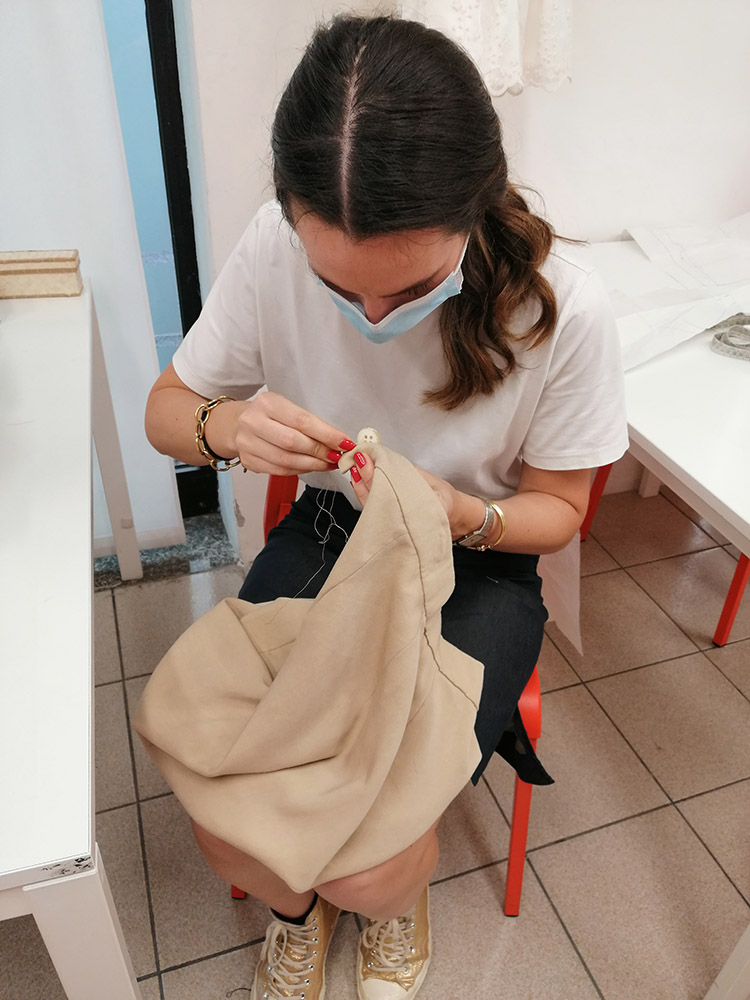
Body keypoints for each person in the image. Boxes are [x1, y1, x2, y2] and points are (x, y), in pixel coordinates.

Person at [144, 13, 627, 1000]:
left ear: (474, 210)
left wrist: (465, 513)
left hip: (480, 561)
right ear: (292, 218)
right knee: (230, 798)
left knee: (367, 848)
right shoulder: (270, 248)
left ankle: (388, 905)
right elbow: (167, 410)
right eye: (336, 285)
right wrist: (226, 429)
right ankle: (296, 914)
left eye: (407, 289)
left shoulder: (564, 310)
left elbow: (557, 513)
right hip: (331, 529)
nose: (370, 319)